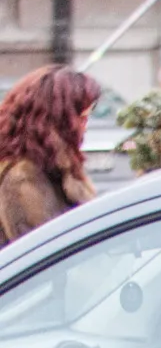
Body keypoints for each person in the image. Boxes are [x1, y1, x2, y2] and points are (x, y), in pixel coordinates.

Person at [0, 66, 99, 248]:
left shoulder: (60, 170)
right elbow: (51, 256)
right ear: (57, 120)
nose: (85, 126)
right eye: (82, 116)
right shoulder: (23, 180)